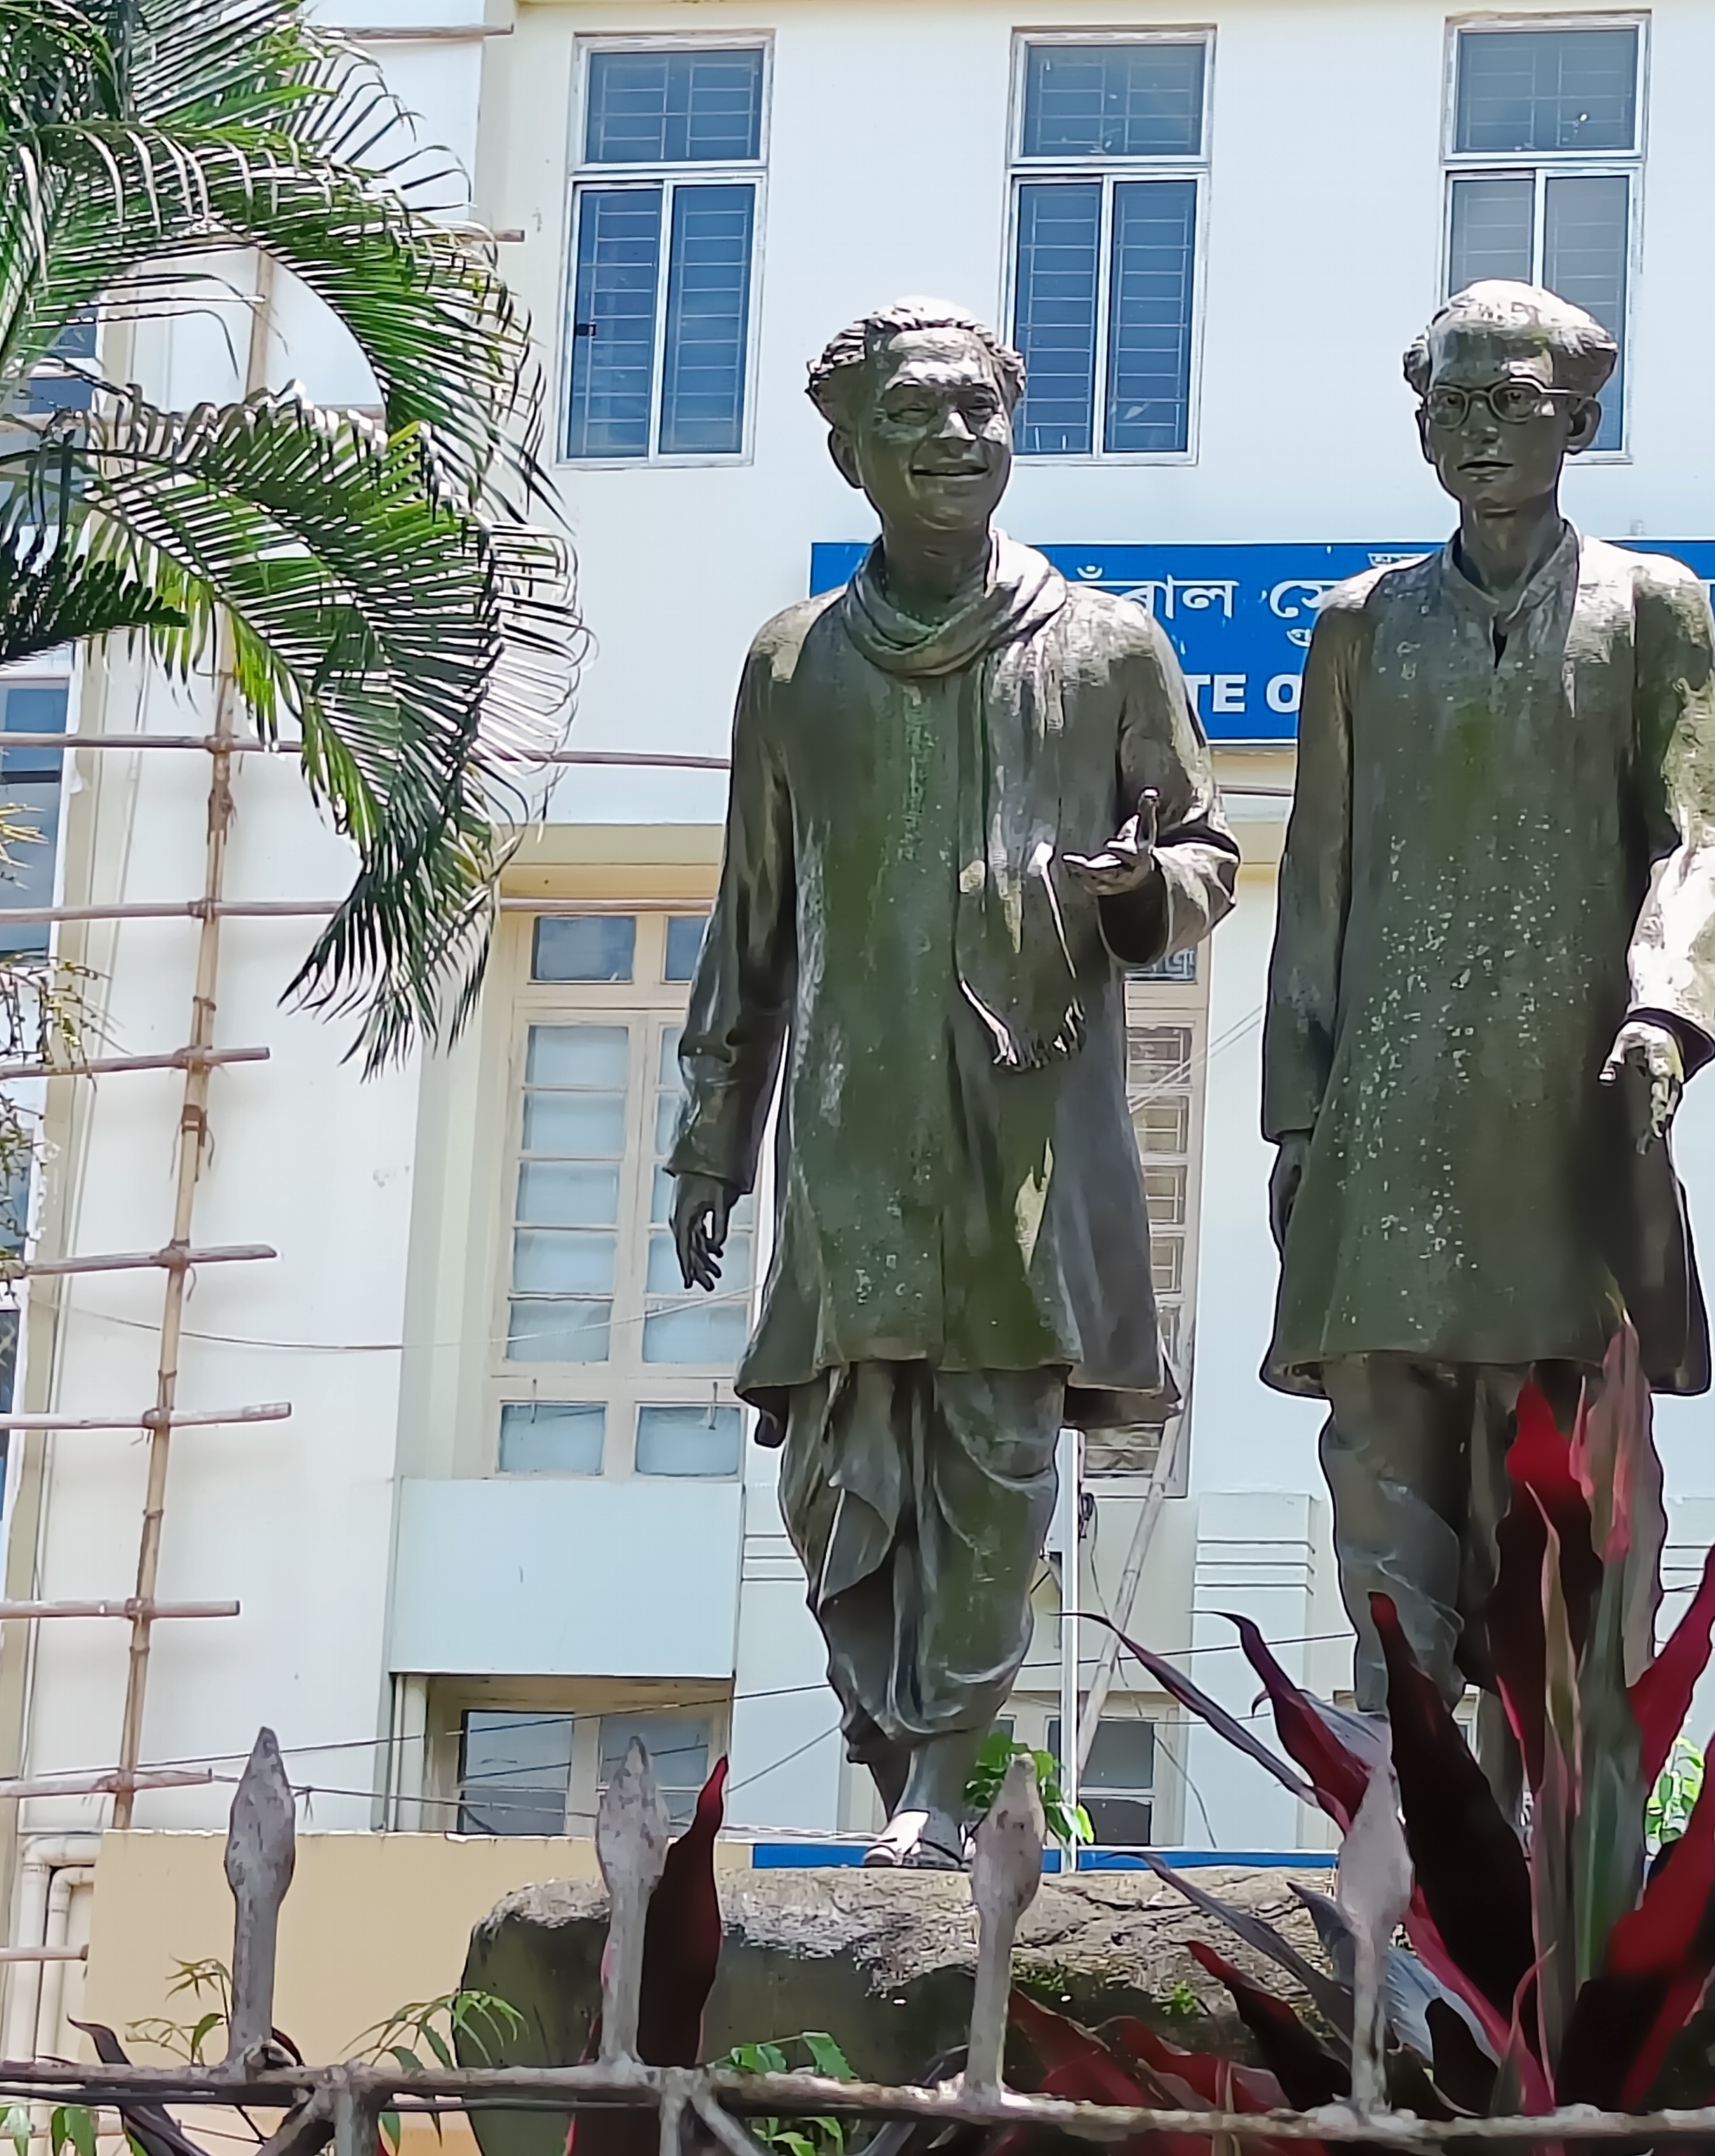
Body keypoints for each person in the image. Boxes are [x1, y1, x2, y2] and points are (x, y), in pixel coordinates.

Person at [668, 300, 1237, 1869]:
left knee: (994, 1447)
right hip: (850, 1136)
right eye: (913, 415)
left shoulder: (1108, 647)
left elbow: (1206, 851)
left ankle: (944, 1761)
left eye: (978, 411)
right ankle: (893, 1731)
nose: (951, 440)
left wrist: (1140, 887)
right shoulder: (793, 668)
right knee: (836, 1474)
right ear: (850, 451)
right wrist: (709, 1135)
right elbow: (753, 920)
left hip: (1024, 1121)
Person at [1263, 281, 1715, 1744]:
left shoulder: (1648, 609)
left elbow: (1697, 832)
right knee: (1386, 1476)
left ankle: (1561, 1808)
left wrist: (1664, 1011)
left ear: (1576, 422)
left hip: (1567, 1111)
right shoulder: (1360, 626)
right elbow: (1317, 875)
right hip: (1387, 1126)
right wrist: (1296, 1112)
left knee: (1567, 1492)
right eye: (1450, 405)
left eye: (1510, 402)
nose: (1477, 432)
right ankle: (1401, 1781)